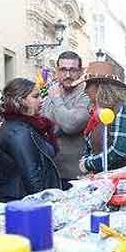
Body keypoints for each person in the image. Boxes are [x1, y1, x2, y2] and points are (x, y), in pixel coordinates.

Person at [0, 78, 62, 200]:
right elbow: (32, 176)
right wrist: (45, 203)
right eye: (35, 97)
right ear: (21, 101)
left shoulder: (29, 125)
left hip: (23, 199)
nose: (41, 101)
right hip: (23, 201)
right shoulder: (19, 132)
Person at [78, 61, 126, 174]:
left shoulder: (124, 110)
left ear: (100, 86)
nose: (85, 90)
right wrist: (87, 160)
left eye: (88, 85)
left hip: (125, 182)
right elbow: (91, 147)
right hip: (105, 181)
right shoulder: (98, 113)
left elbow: (119, 152)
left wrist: (88, 164)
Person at [42, 51, 92, 184]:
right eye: (63, 70)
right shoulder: (51, 93)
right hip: (50, 171)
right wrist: (61, 122)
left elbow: (70, 125)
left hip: (77, 175)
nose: (68, 75)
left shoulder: (87, 95)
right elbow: (42, 126)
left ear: (81, 71)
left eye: (73, 70)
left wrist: (57, 100)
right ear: (57, 71)